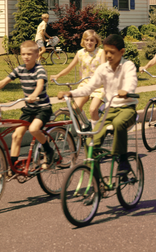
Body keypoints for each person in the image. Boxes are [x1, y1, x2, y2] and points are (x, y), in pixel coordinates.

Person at [57, 33, 137, 175]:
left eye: (112, 52)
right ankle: (96, 177)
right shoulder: (103, 69)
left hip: (127, 108)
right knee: (90, 142)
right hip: (110, 110)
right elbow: (89, 87)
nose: (108, 55)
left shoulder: (127, 65)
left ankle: (123, 161)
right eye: (106, 52)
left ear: (122, 52)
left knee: (119, 123)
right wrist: (71, 93)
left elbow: (131, 81)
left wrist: (126, 90)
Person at [0, 39, 54, 171]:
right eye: (23, 54)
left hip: (43, 108)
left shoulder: (39, 70)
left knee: (34, 129)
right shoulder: (20, 69)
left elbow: (40, 84)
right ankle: (12, 167)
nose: (26, 57)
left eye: (29, 54)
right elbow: (4, 82)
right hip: (29, 109)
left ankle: (49, 151)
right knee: (16, 135)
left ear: (36, 55)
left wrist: (35, 94)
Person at [54, 29, 105, 124]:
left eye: (92, 40)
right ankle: (86, 124)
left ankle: (97, 134)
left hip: (99, 86)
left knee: (93, 110)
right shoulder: (80, 53)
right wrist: (57, 75)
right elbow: (69, 68)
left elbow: (103, 68)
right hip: (85, 85)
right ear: (83, 41)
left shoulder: (101, 52)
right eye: (87, 40)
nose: (89, 42)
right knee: (75, 108)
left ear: (96, 41)